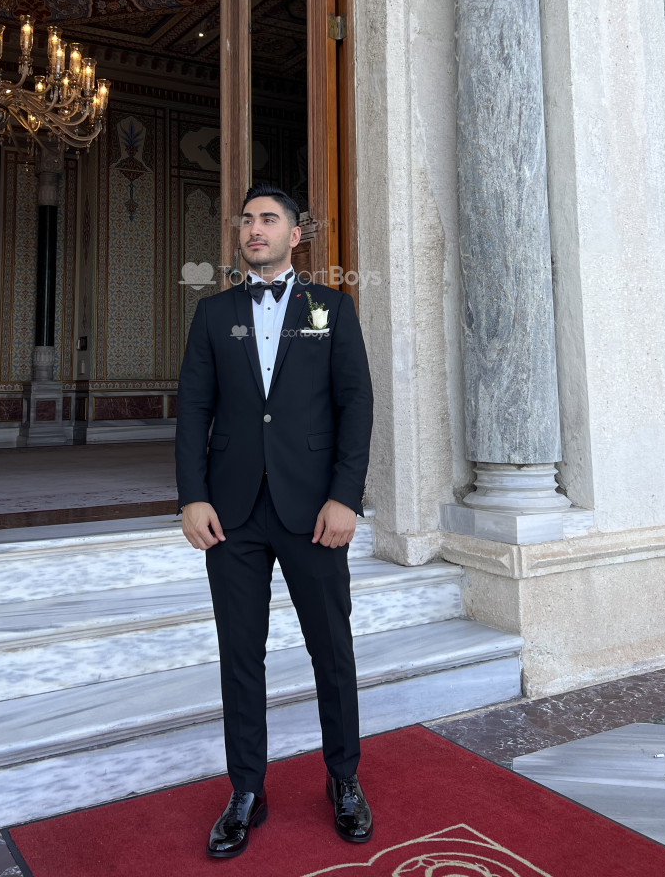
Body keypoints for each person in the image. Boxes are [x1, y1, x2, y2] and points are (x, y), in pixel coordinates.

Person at [175, 181, 375, 859]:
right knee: (240, 655)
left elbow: (355, 405)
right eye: (246, 220)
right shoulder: (214, 314)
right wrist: (192, 496)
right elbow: (193, 410)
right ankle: (246, 792)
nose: (254, 229)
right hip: (230, 513)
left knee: (331, 649)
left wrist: (346, 496)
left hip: (313, 509)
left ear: (296, 234)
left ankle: (344, 779)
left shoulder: (332, 308)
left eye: (268, 219)